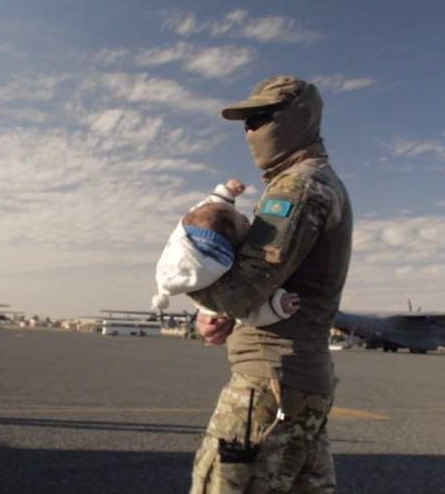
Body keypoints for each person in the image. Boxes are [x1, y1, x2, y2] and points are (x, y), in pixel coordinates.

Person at [187, 76, 353, 493]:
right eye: (247, 122)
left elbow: (241, 293)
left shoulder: (297, 187)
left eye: (261, 118)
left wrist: (183, 276)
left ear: (299, 117)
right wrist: (218, 311)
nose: (250, 131)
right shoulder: (317, 181)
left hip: (268, 386)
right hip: (299, 385)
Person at [151, 178, 300, 327]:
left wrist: (226, 193)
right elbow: (244, 312)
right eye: (244, 224)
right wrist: (276, 306)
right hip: (216, 296)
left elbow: (210, 212)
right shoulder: (214, 294)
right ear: (232, 250)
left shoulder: (188, 232)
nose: (246, 219)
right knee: (237, 303)